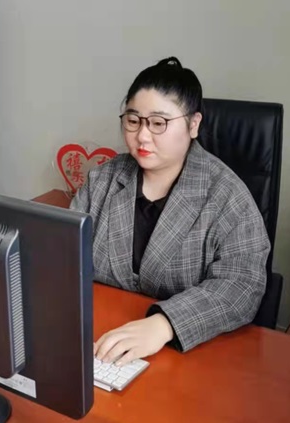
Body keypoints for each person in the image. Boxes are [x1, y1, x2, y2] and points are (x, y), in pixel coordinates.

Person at [70, 57, 270, 366]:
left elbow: (242, 285)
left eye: (158, 123)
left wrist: (165, 325)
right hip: (102, 339)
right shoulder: (103, 180)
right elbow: (65, 256)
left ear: (193, 124)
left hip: (187, 353)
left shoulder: (227, 194)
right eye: (133, 120)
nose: (142, 135)